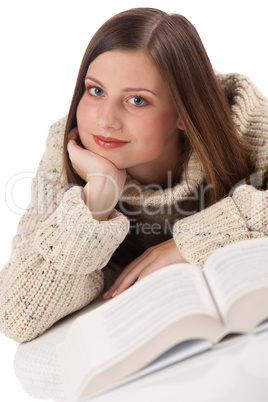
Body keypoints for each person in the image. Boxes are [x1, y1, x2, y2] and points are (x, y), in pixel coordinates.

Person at [0, 7, 267, 343]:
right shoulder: (66, 150)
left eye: (137, 100)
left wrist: (189, 244)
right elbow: (17, 315)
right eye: (95, 91)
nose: (105, 120)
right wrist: (96, 199)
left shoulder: (241, 117)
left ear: (184, 112)